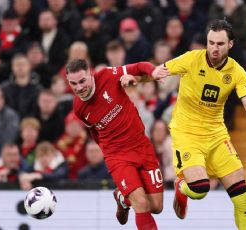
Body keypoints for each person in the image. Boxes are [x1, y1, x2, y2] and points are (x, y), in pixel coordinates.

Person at [150, 20, 246, 229]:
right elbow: (159, 71)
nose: (214, 48)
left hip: (216, 135)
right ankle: (181, 186)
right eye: (211, 42)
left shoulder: (237, 71)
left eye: (220, 44)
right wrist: (132, 77)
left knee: (243, 200)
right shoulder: (191, 59)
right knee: (200, 189)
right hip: (187, 133)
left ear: (230, 45)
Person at [66, 58, 169, 229]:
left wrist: (153, 72)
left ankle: (122, 198)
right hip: (117, 156)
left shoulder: (107, 75)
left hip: (142, 146)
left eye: (82, 81)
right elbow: (94, 131)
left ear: (91, 74)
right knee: (141, 204)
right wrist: (108, 153)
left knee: (156, 207)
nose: (78, 88)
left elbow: (138, 67)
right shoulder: (79, 108)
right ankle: (129, 195)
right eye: (73, 83)